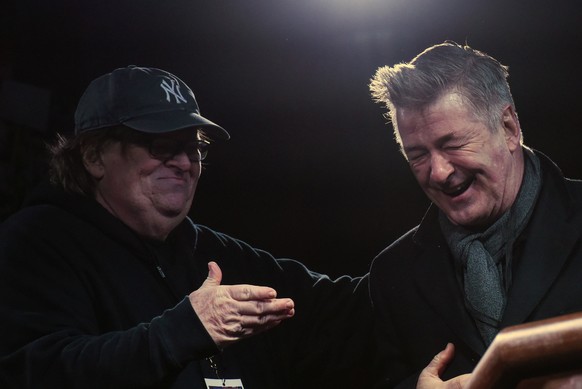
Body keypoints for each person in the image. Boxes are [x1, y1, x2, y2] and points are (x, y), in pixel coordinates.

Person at [0, 65, 376, 388]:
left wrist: (434, 205)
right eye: (162, 145)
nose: (184, 162)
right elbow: (36, 373)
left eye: (193, 146)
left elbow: (350, 310)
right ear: (95, 156)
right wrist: (180, 334)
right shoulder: (34, 243)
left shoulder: (217, 254)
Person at [368, 41, 582, 388]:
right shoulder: (393, 274)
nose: (437, 172)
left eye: (452, 144)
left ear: (509, 127)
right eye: (418, 154)